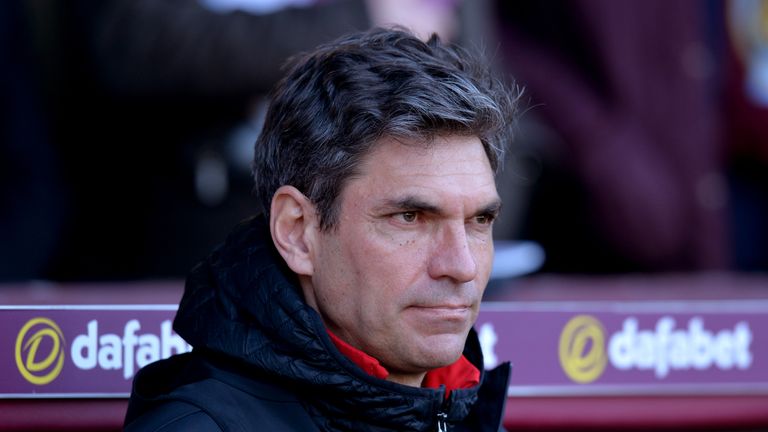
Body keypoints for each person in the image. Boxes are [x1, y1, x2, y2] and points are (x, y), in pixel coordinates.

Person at [123, 27, 517, 431]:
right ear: (296, 231)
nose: (462, 266)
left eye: (479, 221)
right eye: (410, 218)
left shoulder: (472, 419)